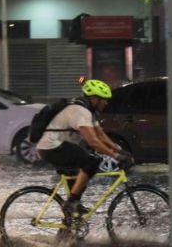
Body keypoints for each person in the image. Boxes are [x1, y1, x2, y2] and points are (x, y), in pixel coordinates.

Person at [36, 79, 133, 218]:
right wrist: (116, 156)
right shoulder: (80, 111)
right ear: (94, 98)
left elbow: (100, 135)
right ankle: (71, 203)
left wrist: (119, 150)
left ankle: (69, 224)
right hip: (52, 147)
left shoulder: (89, 111)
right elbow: (93, 141)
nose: (106, 103)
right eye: (104, 100)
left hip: (59, 147)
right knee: (92, 161)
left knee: (78, 181)